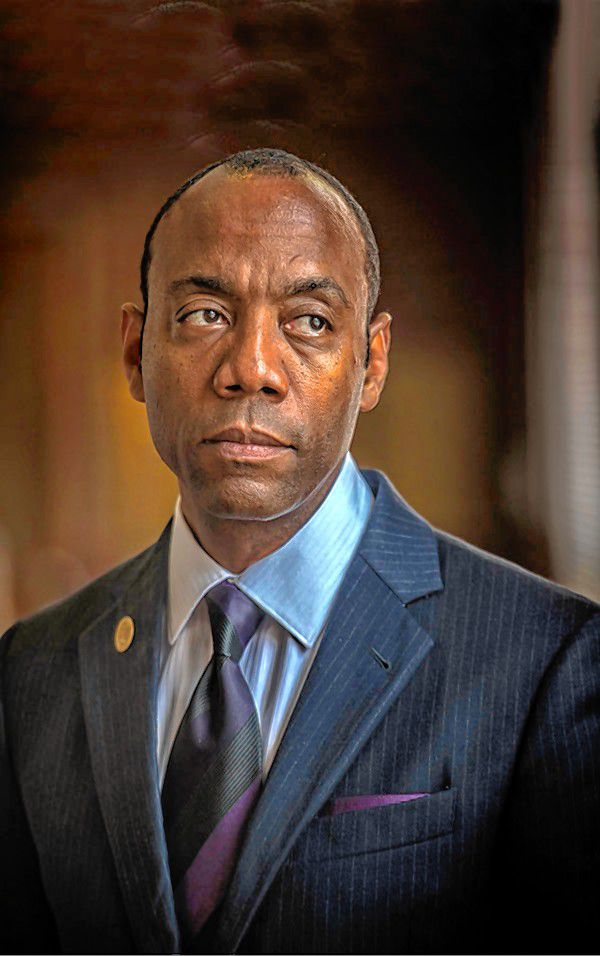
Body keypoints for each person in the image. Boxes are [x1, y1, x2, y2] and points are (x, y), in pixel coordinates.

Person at [1, 147, 598, 956]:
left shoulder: (549, 665)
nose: (251, 369)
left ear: (372, 363)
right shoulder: (30, 673)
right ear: (135, 350)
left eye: (310, 322)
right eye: (205, 314)